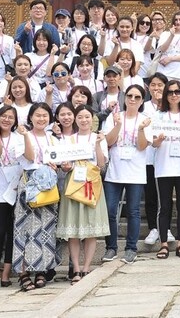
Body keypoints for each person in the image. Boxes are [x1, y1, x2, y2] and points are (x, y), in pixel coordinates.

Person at [56, 105, 110, 284]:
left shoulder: (98, 138)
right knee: (73, 230)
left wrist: (96, 145)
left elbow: (101, 165)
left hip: (92, 183)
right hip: (73, 184)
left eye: (87, 117)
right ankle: (76, 269)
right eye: (80, 117)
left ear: (92, 119)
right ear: (75, 119)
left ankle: (87, 267)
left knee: (90, 229)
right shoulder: (68, 140)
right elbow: (64, 164)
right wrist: (65, 166)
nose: (84, 120)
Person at [13, 103, 61, 291]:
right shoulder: (22, 137)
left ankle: (42, 269)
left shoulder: (54, 139)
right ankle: (23, 272)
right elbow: (31, 156)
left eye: (45, 115)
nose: (41, 119)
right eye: (38, 115)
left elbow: (57, 160)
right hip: (30, 183)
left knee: (46, 227)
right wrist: (26, 136)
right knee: (24, 226)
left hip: (49, 183)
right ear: (30, 118)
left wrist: (57, 165)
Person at [101, 84, 150, 265]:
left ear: (142, 100)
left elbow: (142, 146)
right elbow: (108, 141)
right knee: (110, 210)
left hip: (135, 172)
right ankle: (111, 246)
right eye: (130, 95)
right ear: (124, 97)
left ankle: (131, 248)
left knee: (133, 211)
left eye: (137, 97)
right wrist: (118, 125)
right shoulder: (114, 118)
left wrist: (141, 129)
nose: (133, 99)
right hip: (115, 171)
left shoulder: (145, 119)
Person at [151, 80, 180, 259]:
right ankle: (163, 244)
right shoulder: (159, 116)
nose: (174, 95)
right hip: (164, 167)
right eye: (170, 92)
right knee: (165, 206)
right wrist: (159, 140)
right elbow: (153, 142)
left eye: (177, 92)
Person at [0, 106, 23, 289]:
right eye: (4, 116)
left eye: (11, 117)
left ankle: (7, 272)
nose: (7, 120)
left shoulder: (20, 138)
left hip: (16, 190)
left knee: (12, 234)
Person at [142, 73, 167, 247]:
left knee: (165, 195)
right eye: (153, 85)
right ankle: (153, 227)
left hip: (166, 158)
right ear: (148, 87)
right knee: (151, 194)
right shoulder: (142, 107)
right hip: (148, 157)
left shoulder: (170, 107)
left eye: (160, 85)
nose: (157, 88)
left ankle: (166, 228)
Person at [156, 9, 180, 83]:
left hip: (179, 74)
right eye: (176, 20)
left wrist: (170, 59)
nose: (178, 22)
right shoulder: (165, 34)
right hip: (164, 72)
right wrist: (171, 36)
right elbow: (162, 49)